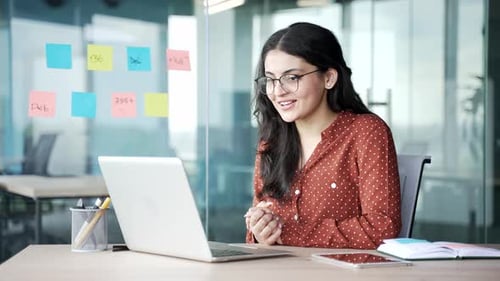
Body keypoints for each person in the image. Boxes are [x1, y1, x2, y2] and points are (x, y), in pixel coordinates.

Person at [244, 22, 401, 249]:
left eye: (292, 77)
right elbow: (260, 232)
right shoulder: (271, 142)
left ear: (328, 78)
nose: (278, 91)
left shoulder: (366, 132)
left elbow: (383, 227)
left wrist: (289, 233)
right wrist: (260, 231)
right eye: (270, 79)